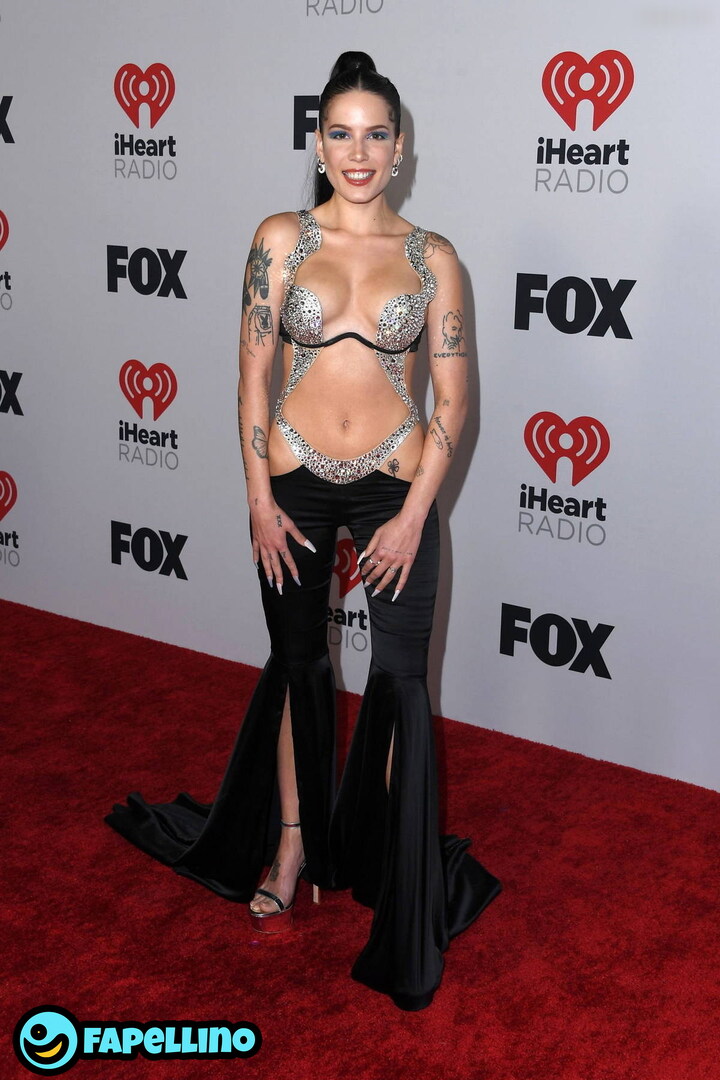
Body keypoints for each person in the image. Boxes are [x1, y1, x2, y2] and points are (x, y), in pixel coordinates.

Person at [106, 51, 501, 1012]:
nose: (358, 152)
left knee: (402, 682)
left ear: (401, 149)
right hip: (290, 484)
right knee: (299, 666)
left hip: (398, 486)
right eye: (340, 134)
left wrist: (415, 514)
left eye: (376, 135)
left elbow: (454, 398)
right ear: (317, 145)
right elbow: (250, 374)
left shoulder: (434, 258)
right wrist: (258, 495)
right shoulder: (280, 240)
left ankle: (397, 876)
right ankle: (291, 846)